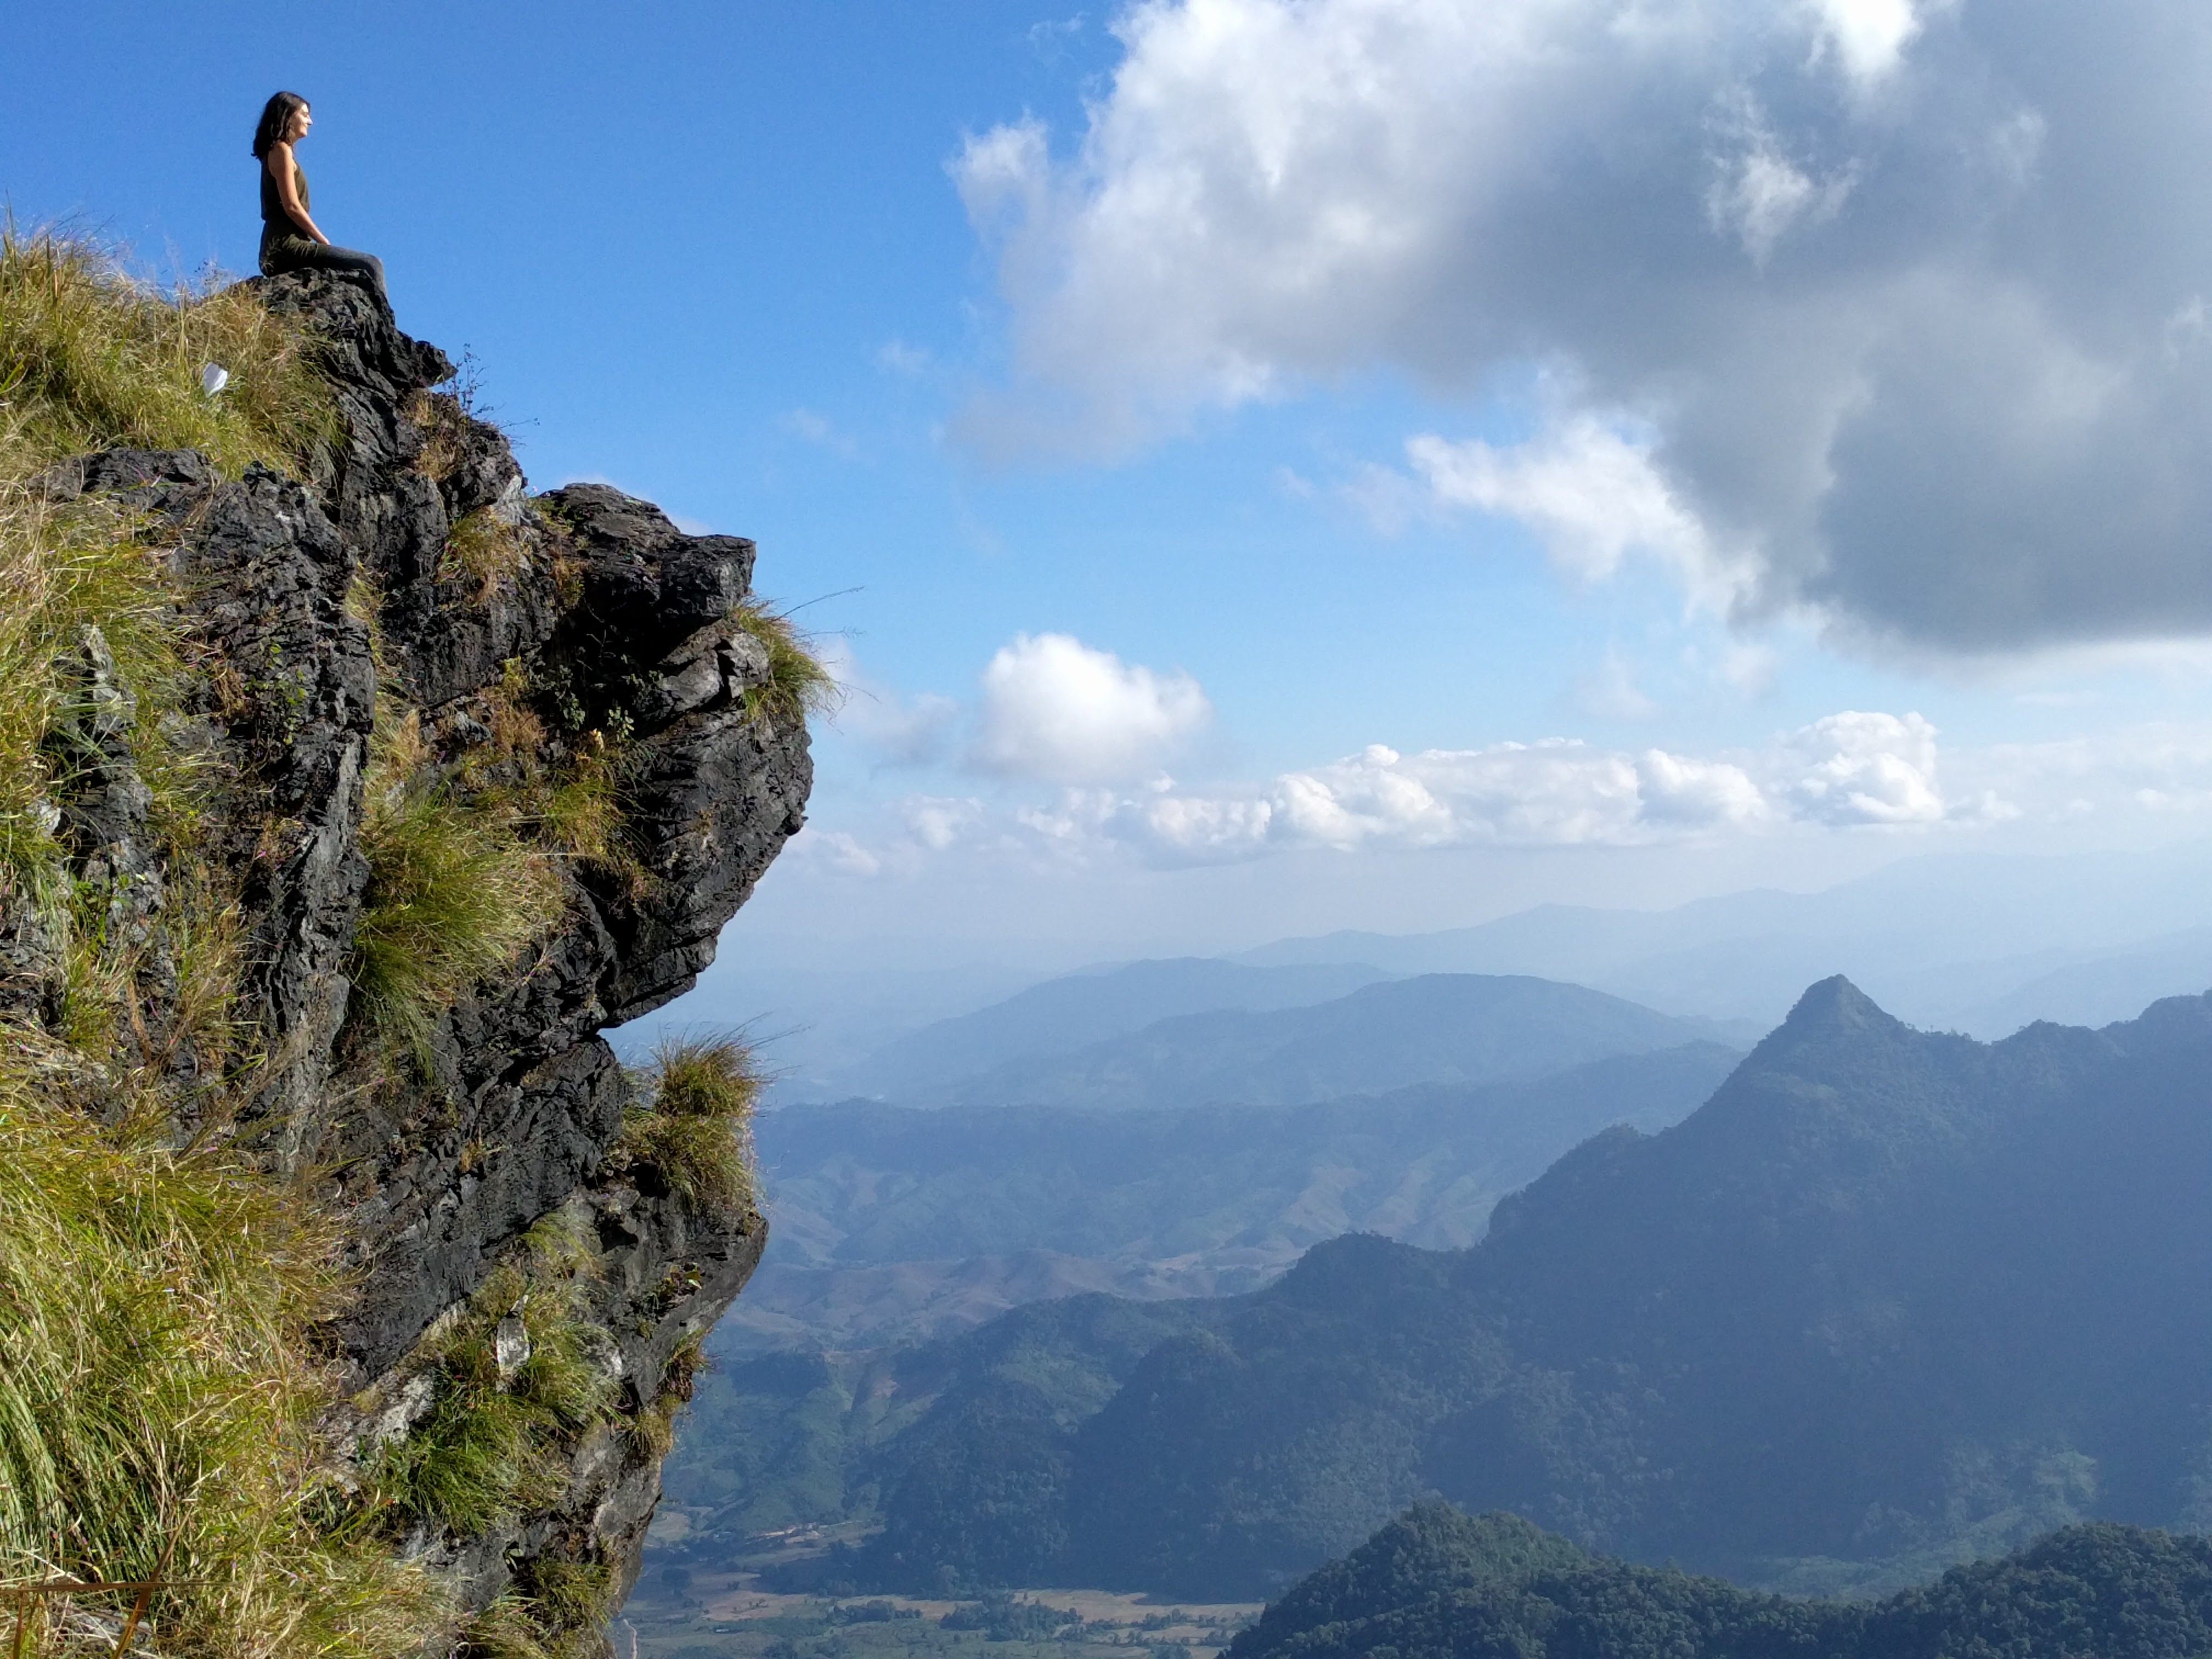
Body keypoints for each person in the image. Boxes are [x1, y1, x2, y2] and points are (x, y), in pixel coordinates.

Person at [252, 91, 387, 303]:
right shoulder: (281, 150)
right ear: (288, 116)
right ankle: (386, 327)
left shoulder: (281, 151)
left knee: (362, 270)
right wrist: (323, 241)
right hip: (284, 247)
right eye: (305, 114)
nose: (310, 121)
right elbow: (292, 207)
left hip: (286, 245)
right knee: (371, 264)